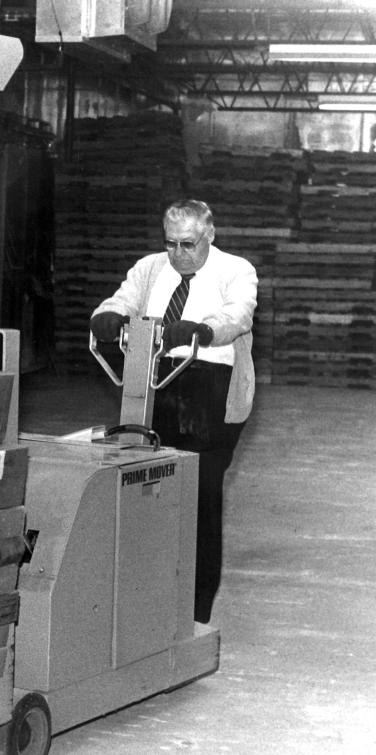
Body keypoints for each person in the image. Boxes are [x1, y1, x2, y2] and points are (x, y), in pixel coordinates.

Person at [89, 199, 258, 624]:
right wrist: (107, 317)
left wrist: (203, 329)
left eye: (188, 244)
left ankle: (196, 612)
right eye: (171, 244)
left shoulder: (236, 270)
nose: (179, 254)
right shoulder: (150, 267)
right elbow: (121, 299)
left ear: (210, 236)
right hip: (154, 381)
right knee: (145, 488)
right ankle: (147, 601)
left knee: (200, 495)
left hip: (209, 388)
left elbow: (238, 313)